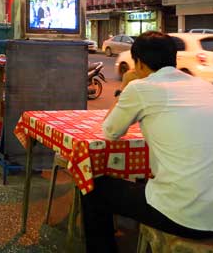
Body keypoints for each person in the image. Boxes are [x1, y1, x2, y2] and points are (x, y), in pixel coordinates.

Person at [81, 31, 213, 253]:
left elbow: (109, 131)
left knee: (93, 188)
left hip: (183, 216)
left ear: (139, 63)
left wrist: (125, 88)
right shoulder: (205, 87)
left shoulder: (141, 88)